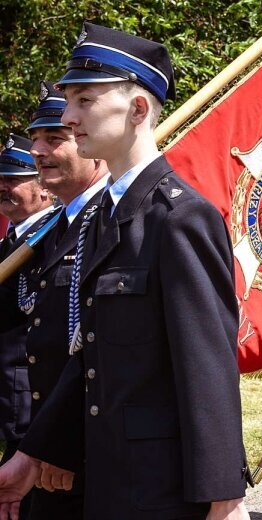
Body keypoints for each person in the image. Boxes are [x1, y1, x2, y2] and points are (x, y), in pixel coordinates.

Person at [0, 23, 249, 520]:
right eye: (68, 101)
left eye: (84, 100)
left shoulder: (179, 217)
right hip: (111, 481)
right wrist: (35, 453)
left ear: (137, 109)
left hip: (161, 489)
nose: (69, 118)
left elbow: (207, 369)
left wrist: (224, 496)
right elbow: (90, 356)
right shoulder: (105, 216)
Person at [0, 80, 110, 519]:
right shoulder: (53, 230)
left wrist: (58, 442)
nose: (39, 151)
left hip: (89, 448)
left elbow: (100, 350)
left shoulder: (114, 220)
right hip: (45, 444)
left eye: (55, 139)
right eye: (36, 140)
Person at [0, 133, 57, 520]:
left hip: (30, 398)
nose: (3, 186)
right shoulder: (14, 237)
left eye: (14, 178)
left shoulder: (52, 236)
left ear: (43, 188)